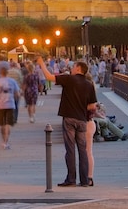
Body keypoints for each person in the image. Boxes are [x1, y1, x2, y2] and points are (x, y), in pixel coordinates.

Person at [36, 58, 97, 187]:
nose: (72, 68)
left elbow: (48, 76)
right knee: (83, 150)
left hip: (69, 118)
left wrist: (41, 63)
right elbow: (92, 106)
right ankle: (85, 180)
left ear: (79, 68)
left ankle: (71, 179)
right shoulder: (89, 84)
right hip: (82, 120)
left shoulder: (69, 79)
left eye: (74, 66)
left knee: (70, 149)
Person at [0, 66, 21, 150]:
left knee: (2, 124)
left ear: (1, 73)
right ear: (7, 73)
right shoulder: (12, 81)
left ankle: (3, 140)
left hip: (0, 105)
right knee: (8, 124)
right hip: (10, 104)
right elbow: (17, 94)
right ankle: (6, 141)